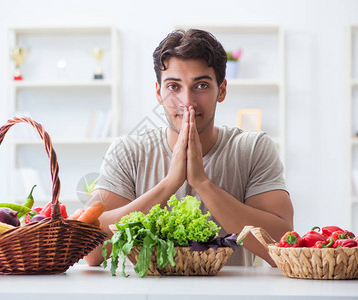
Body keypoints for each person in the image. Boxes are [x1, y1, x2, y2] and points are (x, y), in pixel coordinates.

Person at [84, 28, 293, 267]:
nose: (188, 102)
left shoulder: (253, 148)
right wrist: (168, 184)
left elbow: (281, 247)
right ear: (158, 92)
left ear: (221, 90)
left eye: (201, 86)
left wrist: (202, 183)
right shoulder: (128, 151)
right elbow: (91, 252)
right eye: (174, 86)